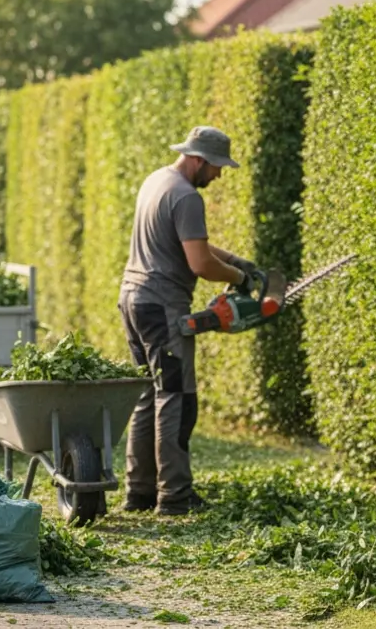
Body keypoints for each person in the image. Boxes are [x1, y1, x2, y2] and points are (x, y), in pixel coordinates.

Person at [117, 125, 256, 515]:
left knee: (149, 396)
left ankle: (139, 492)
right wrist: (240, 279)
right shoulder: (187, 197)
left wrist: (233, 260)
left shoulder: (157, 181)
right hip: (162, 306)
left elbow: (191, 243)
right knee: (175, 398)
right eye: (216, 167)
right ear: (199, 160)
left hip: (132, 299)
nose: (219, 175)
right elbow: (198, 263)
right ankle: (175, 496)